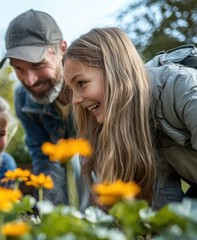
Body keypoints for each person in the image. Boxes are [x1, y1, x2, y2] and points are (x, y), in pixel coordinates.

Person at [63, 27, 197, 207]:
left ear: (115, 71)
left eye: (82, 83)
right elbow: (165, 199)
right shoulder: (138, 119)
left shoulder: (182, 88)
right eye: (71, 89)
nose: (75, 100)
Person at [0, 9, 87, 208]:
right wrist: (51, 214)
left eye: (38, 64)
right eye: (18, 69)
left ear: (61, 48)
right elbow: (44, 159)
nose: (29, 80)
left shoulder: (93, 83)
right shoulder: (23, 99)